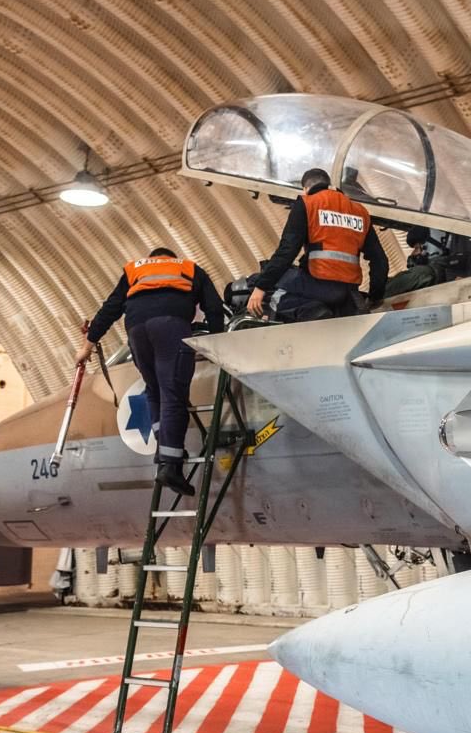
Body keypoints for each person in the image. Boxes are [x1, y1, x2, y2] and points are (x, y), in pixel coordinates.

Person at [78, 247, 224, 497]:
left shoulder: (135, 269)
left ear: (153, 258)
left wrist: (87, 345)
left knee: (154, 389)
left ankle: (163, 451)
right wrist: (218, 342)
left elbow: (110, 309)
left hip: (137, 331)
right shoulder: (190, 269)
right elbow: (214, 307)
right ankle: (171, 466)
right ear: (171, 257)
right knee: (173, 394)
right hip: (170, 326)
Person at [249, 167, 388, 322]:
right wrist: (375, 297)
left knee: (274, 286)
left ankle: (312, 311)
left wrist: (261, 287)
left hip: (319, 284)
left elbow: (287, 251)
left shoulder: (308, 203)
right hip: (349, 292)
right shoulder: (359, 211)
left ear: (306, 189)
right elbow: (380, 260)